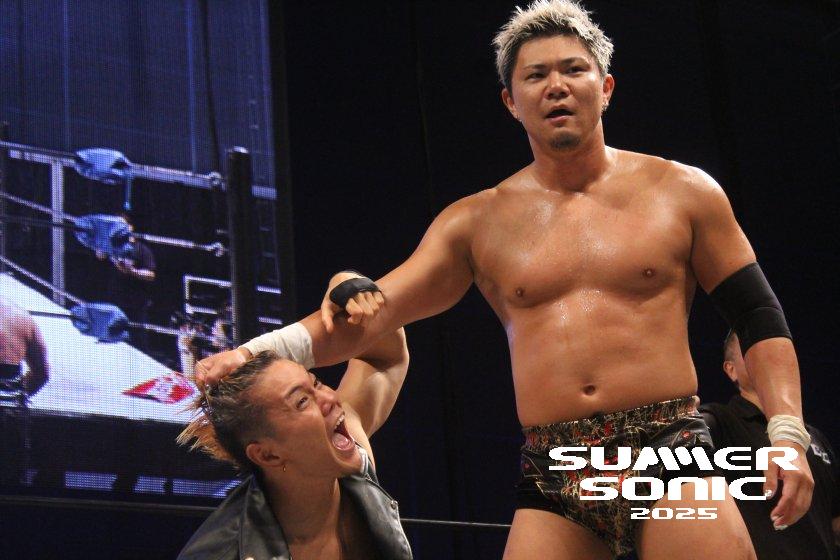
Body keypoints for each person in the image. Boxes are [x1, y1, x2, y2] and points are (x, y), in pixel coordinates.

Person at [196, 2, 814, 558]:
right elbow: (369, 317)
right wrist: (250, 353)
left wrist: (786, 432)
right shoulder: (476, 223)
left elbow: (758, 316)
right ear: (511, 102)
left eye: (573, 69)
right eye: (535, 76)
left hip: (666, 444)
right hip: (556, 464)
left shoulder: (684, 192)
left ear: (605, 87)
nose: (556, 86)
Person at [177, 313, 412, 560]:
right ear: (267, 455)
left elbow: (385, 350)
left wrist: (348, 293)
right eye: (302, 401)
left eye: (316, 383)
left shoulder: (349, 463)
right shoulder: (220, 554)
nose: (330, 398)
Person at [700, 331, 840, 559]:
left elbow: (835, 519)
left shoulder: (813, 436)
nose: (765, 355)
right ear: (731, 369)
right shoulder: (716, 422)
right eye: (751, 347)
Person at [0, 296, 49, 485]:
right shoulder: (22, 316)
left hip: (11, 413)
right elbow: (42, 373)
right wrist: (13, 395)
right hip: (12, 417)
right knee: (11, 486)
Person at [96, 210, 156, 352]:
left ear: (130, 227)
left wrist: (133, 271)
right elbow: (100, 255)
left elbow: (151, 274)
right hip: (116, 299)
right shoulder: (114, 245)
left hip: (136, 302)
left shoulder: (141, 249)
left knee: (137, 340)